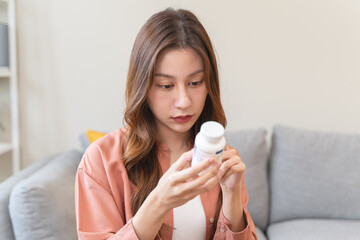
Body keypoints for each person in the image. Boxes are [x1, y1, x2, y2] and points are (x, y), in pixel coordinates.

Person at [75, 7, 258, 240]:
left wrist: (232, 198)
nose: (183, 101)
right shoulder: (100, 160)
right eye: (166, 86)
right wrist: (160, 202)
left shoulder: (222, 157)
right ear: (143, 87)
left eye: (195, 82)